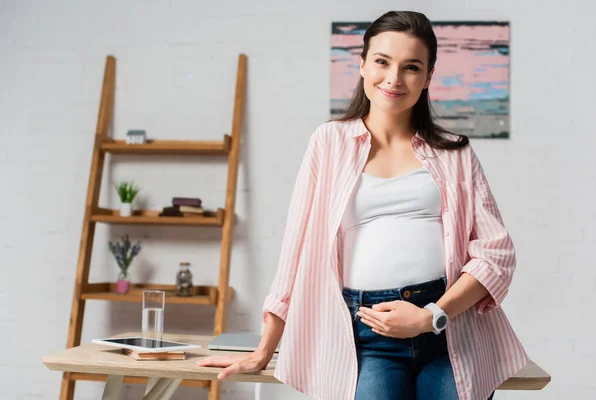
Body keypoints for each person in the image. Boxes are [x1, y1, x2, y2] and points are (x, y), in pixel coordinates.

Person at [197, 10, 530, 400]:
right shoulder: (329, 143)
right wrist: (265, 349)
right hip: (366, 335)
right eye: (382, 61)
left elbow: (495, 253)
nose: (394, 78)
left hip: (448, 329)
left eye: (411, 67)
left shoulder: (454, 152)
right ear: (361, 64)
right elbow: (296, 251)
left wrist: (431, 315)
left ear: (427, 78)